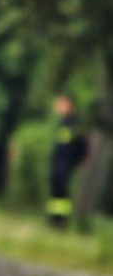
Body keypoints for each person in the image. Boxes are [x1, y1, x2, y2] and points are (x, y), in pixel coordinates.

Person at [47, 94, 88, 228]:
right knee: (55, 193)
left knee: (62, 194)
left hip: (65, 166)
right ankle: (53, 220)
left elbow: (83, 147)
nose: (59, 107)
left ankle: (62, 222)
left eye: (62, 104)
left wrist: (73, 163)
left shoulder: (75, 125)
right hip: (57, 164)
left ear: (70, 105)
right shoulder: (62, 123)